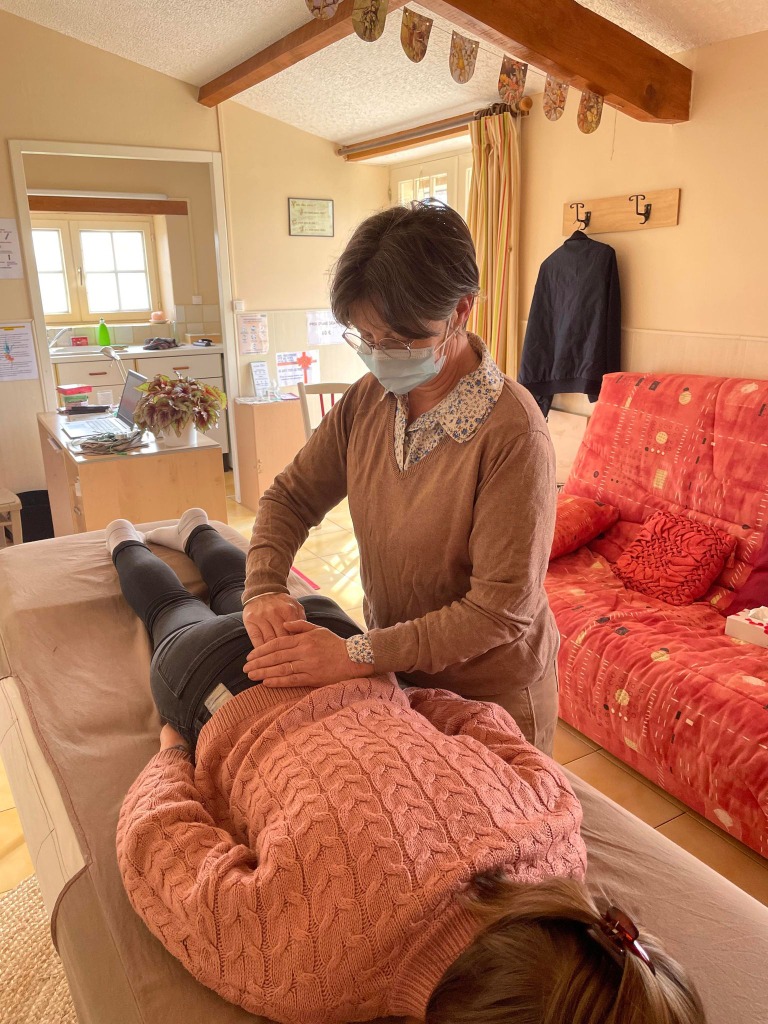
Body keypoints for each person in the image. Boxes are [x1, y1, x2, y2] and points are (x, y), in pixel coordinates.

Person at [109, 513, 704, 1024]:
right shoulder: (302, 968)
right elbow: (157, 842)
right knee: (170, 609)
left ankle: (195, 528)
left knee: (246, 587)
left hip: (340, 644)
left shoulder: (555, 838)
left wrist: (406, 706)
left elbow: (490, 726)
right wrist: (171, 755)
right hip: (226, 688)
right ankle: (125, 542)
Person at [241, 200, 560, 755]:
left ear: (460, 310)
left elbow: (497, 611)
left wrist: (357, 654)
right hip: (403, 673)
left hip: (491, 696)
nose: (379, 357)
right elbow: (291, 497)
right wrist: (265, 586)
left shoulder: (512, 434)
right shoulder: (369, 400)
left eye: (397, 341)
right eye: (365, 339)